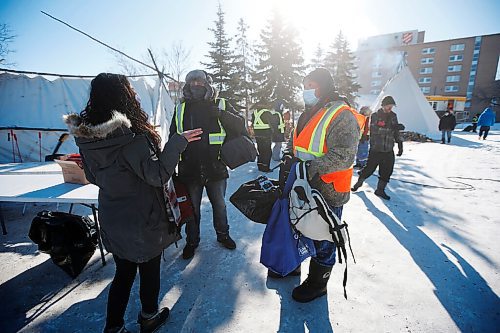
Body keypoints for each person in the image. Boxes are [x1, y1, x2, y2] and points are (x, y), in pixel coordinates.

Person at [64, 73, 202, 333]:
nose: (136, 95)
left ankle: (113, 327)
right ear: (122, 97)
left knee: (123, 274)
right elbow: (158, 175)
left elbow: (92, 176)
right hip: (143, 220)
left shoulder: (86, 139)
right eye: (130, 90)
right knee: (149, 271)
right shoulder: (132, 140)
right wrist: (177, 143)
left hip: (113, 218)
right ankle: (149, 316)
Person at [280, 68, 363, 302]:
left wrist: (310, 167)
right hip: (304, 186)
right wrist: (289, 156)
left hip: (328, 189)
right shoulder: (309, 112)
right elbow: (296, 142)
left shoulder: (342, 114)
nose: (307, 90)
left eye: (311, 85)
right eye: (304, 86)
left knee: (324, 237)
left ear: (324, 85)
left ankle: (318, 283)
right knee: (301, 227)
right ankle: (293, 264)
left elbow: (345, 156)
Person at [170, 69, 246, 260]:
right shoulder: (180, 108)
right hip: (190, 168)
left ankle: (223, 235)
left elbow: (240, 125)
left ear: (208, 84)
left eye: (200, 81)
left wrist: (221, 114)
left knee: (219, 205)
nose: (196, 85)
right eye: (192, 82)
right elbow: (173, 137)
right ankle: (192, 242)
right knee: (192, 208)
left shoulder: (220, 104)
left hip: (216, 167)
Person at [351, 95, 403, 200]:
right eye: (389, 106)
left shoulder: (393, 116)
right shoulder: (375, 115)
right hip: (376, 149)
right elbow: (375, 130)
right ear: (383, 105)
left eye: (392, 106)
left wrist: (400, 143)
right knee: (369, 169)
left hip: (388, 149)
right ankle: (358, 183)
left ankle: (380, 190)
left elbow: (396, 131)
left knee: (387, 171)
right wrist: (391, 128)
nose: (390, 108)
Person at [252, 107, 275, 172]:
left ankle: (260, 166)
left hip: (257, 134)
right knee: (267, 151)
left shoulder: (255, 112)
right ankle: (265, 168)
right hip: (266, 134)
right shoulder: (267, 112)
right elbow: (273, 122)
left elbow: (252, 122)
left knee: (261, 150)